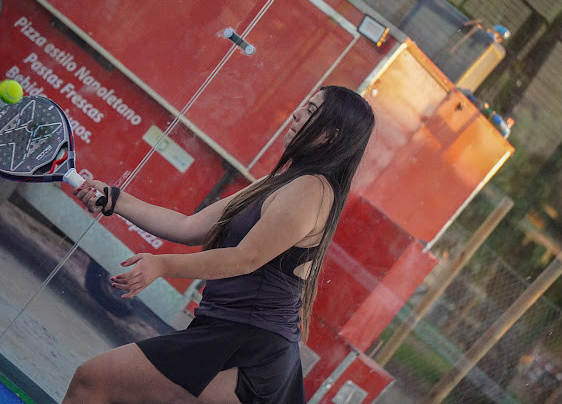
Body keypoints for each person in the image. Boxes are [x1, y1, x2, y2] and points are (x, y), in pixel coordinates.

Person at [62, 85, 375, 404]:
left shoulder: (311, 189)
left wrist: (163, 264)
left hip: (251, 349)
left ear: (332, 135)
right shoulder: (281, 183)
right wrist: (114, 200)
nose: (296, 114)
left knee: (94, 380)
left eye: (310, 111)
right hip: (236, 335)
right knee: (97, 382)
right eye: (304, 105)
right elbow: (189, 227)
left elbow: (246, 258)